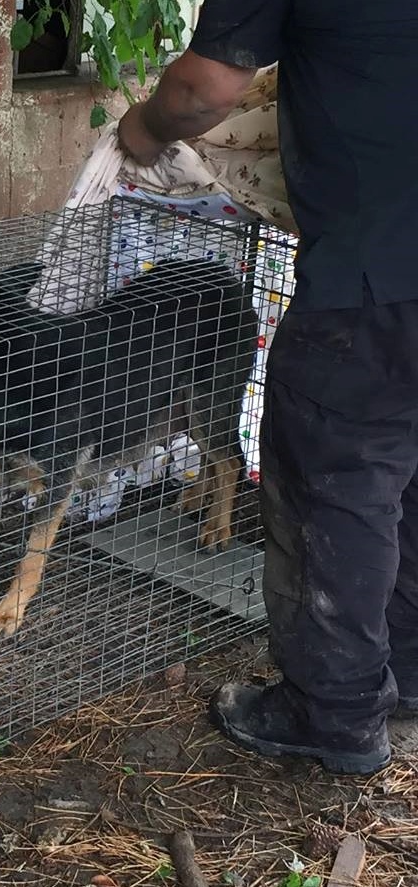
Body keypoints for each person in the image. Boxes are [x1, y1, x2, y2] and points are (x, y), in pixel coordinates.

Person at [117, 0, 418, 775]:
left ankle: (334, 714)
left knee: (334, 480)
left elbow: (203, 91)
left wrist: (142, 131)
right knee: (405, 467)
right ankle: (408, 665)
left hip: (375, 277)